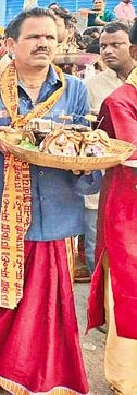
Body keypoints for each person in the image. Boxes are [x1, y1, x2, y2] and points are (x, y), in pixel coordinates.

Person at [0, 7, 100, 395]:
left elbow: (85, 148)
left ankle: (47, 382)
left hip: (55, 216)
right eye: (33, 37)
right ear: (9, 44)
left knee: (49, 310)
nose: (43, 44)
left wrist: (79, 166)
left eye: (50, 38)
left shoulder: (73, 90)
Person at [87, 64, 137, 395]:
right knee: (128, 292)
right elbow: (131, 155)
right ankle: (126, 381)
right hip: (128, 210)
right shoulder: (121, 100)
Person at [84, 22, 135, 276]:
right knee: (102, 253)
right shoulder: (92, 86)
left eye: (116, 45)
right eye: (104, 46)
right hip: (104, 184)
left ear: (133, 49)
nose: (108, 51)